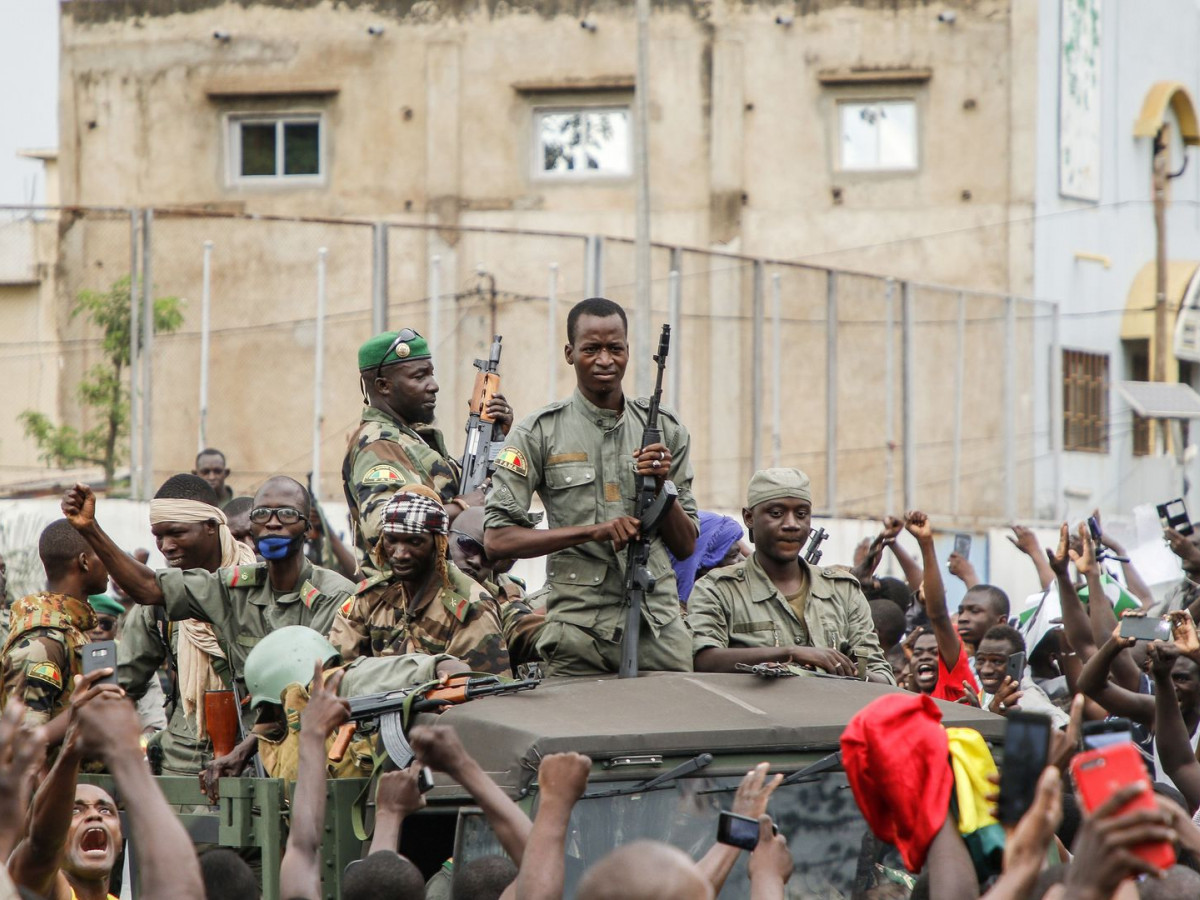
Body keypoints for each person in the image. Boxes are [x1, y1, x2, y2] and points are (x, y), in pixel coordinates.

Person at [484, 297, 699, 676]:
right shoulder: (538, 433)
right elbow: (498, 540)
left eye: (615, 349)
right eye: (591, 349)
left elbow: (686, 545)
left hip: (658, 631)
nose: (604, 360)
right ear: (570, 353)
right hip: (578, 634)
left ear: (628, 352)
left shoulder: (667, 430)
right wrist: (593, 532)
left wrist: (664, 488)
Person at [61, 477, 355, 687]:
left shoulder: (336, 594)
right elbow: (148, 588)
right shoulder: (231, 588)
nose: (273, 523)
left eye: (288, 514)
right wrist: (90, 529)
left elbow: (320, 685)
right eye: (262, 514)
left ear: (307, 528)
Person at [8, 668, 206, 900]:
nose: (94, 816)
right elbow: (41, 845)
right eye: (75, 810)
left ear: (121, 841)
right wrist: (73, 750)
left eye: (105, 810)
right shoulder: (36, 889)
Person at [688, 468, 892, 682]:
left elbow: (882, 676)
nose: (791, 524)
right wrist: (790, 653)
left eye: (801, 514)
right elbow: (703, 660)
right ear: (749, 517)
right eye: (776, 513)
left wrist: (845, 672)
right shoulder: (717, 589)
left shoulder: (843, 591)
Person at [114, 474, 256, 777]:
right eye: (158, 536)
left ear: (210, 527)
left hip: (255, 761)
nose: (166, 546)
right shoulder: (156, 605)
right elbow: (124, 686)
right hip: (183, 766)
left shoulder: (258, 590)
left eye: (176, 533)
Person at [343, 328, 514, 573]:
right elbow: (384, 529)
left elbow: (458, 486)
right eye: (419, 377)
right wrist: (461, 507)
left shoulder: (409, 439)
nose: (433, 386)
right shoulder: (378, 444)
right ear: (383, 386)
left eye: (431, 375)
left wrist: (495, 438)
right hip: (403, 600)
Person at [328, 490, 510, 676]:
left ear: (439, 544)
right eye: (391, 540)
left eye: (414, 542)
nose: (400, 554)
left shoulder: (472, 607)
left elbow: (482, 691)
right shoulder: (369, 597)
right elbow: (334, 675)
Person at [0, 520, 107, 742]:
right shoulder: (43, 640)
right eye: (104, 554)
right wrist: (86, 709)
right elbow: (25, 742)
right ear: (84, 562)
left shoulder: (70, 629)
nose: (111, 563)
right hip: (51, 776)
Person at [448, 505, 545, 668]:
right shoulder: (408, 586)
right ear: (446, 537)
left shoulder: (496, 602)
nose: (476, 561)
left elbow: (527, 630)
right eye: (468, 545)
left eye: (488, 556)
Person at [902, 511, 979, 701]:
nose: (925, 657)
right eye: (918, 653)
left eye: (934, 652)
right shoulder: (913, 696)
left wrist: (926, 544)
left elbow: (938, 615)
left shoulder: (955, 684)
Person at [973, 624, 1070, 727]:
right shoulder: (996, 695)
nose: (985, 670)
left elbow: (1064, 729)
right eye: (980, 660)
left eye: (997, 661)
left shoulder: (1027, 702)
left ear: (1021, 663)